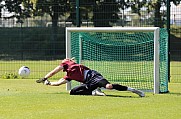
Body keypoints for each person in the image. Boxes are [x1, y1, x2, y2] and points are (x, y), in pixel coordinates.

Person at [36, 58, 145, 97]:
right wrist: (48, 83)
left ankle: (133, 90)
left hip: (94, 76)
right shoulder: (68, 75)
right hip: (89, 83)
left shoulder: (68, 64)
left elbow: (54, 72)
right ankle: (94, 92)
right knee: (72, 92)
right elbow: (59, 82)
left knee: (109, 86)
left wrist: (45, 77)